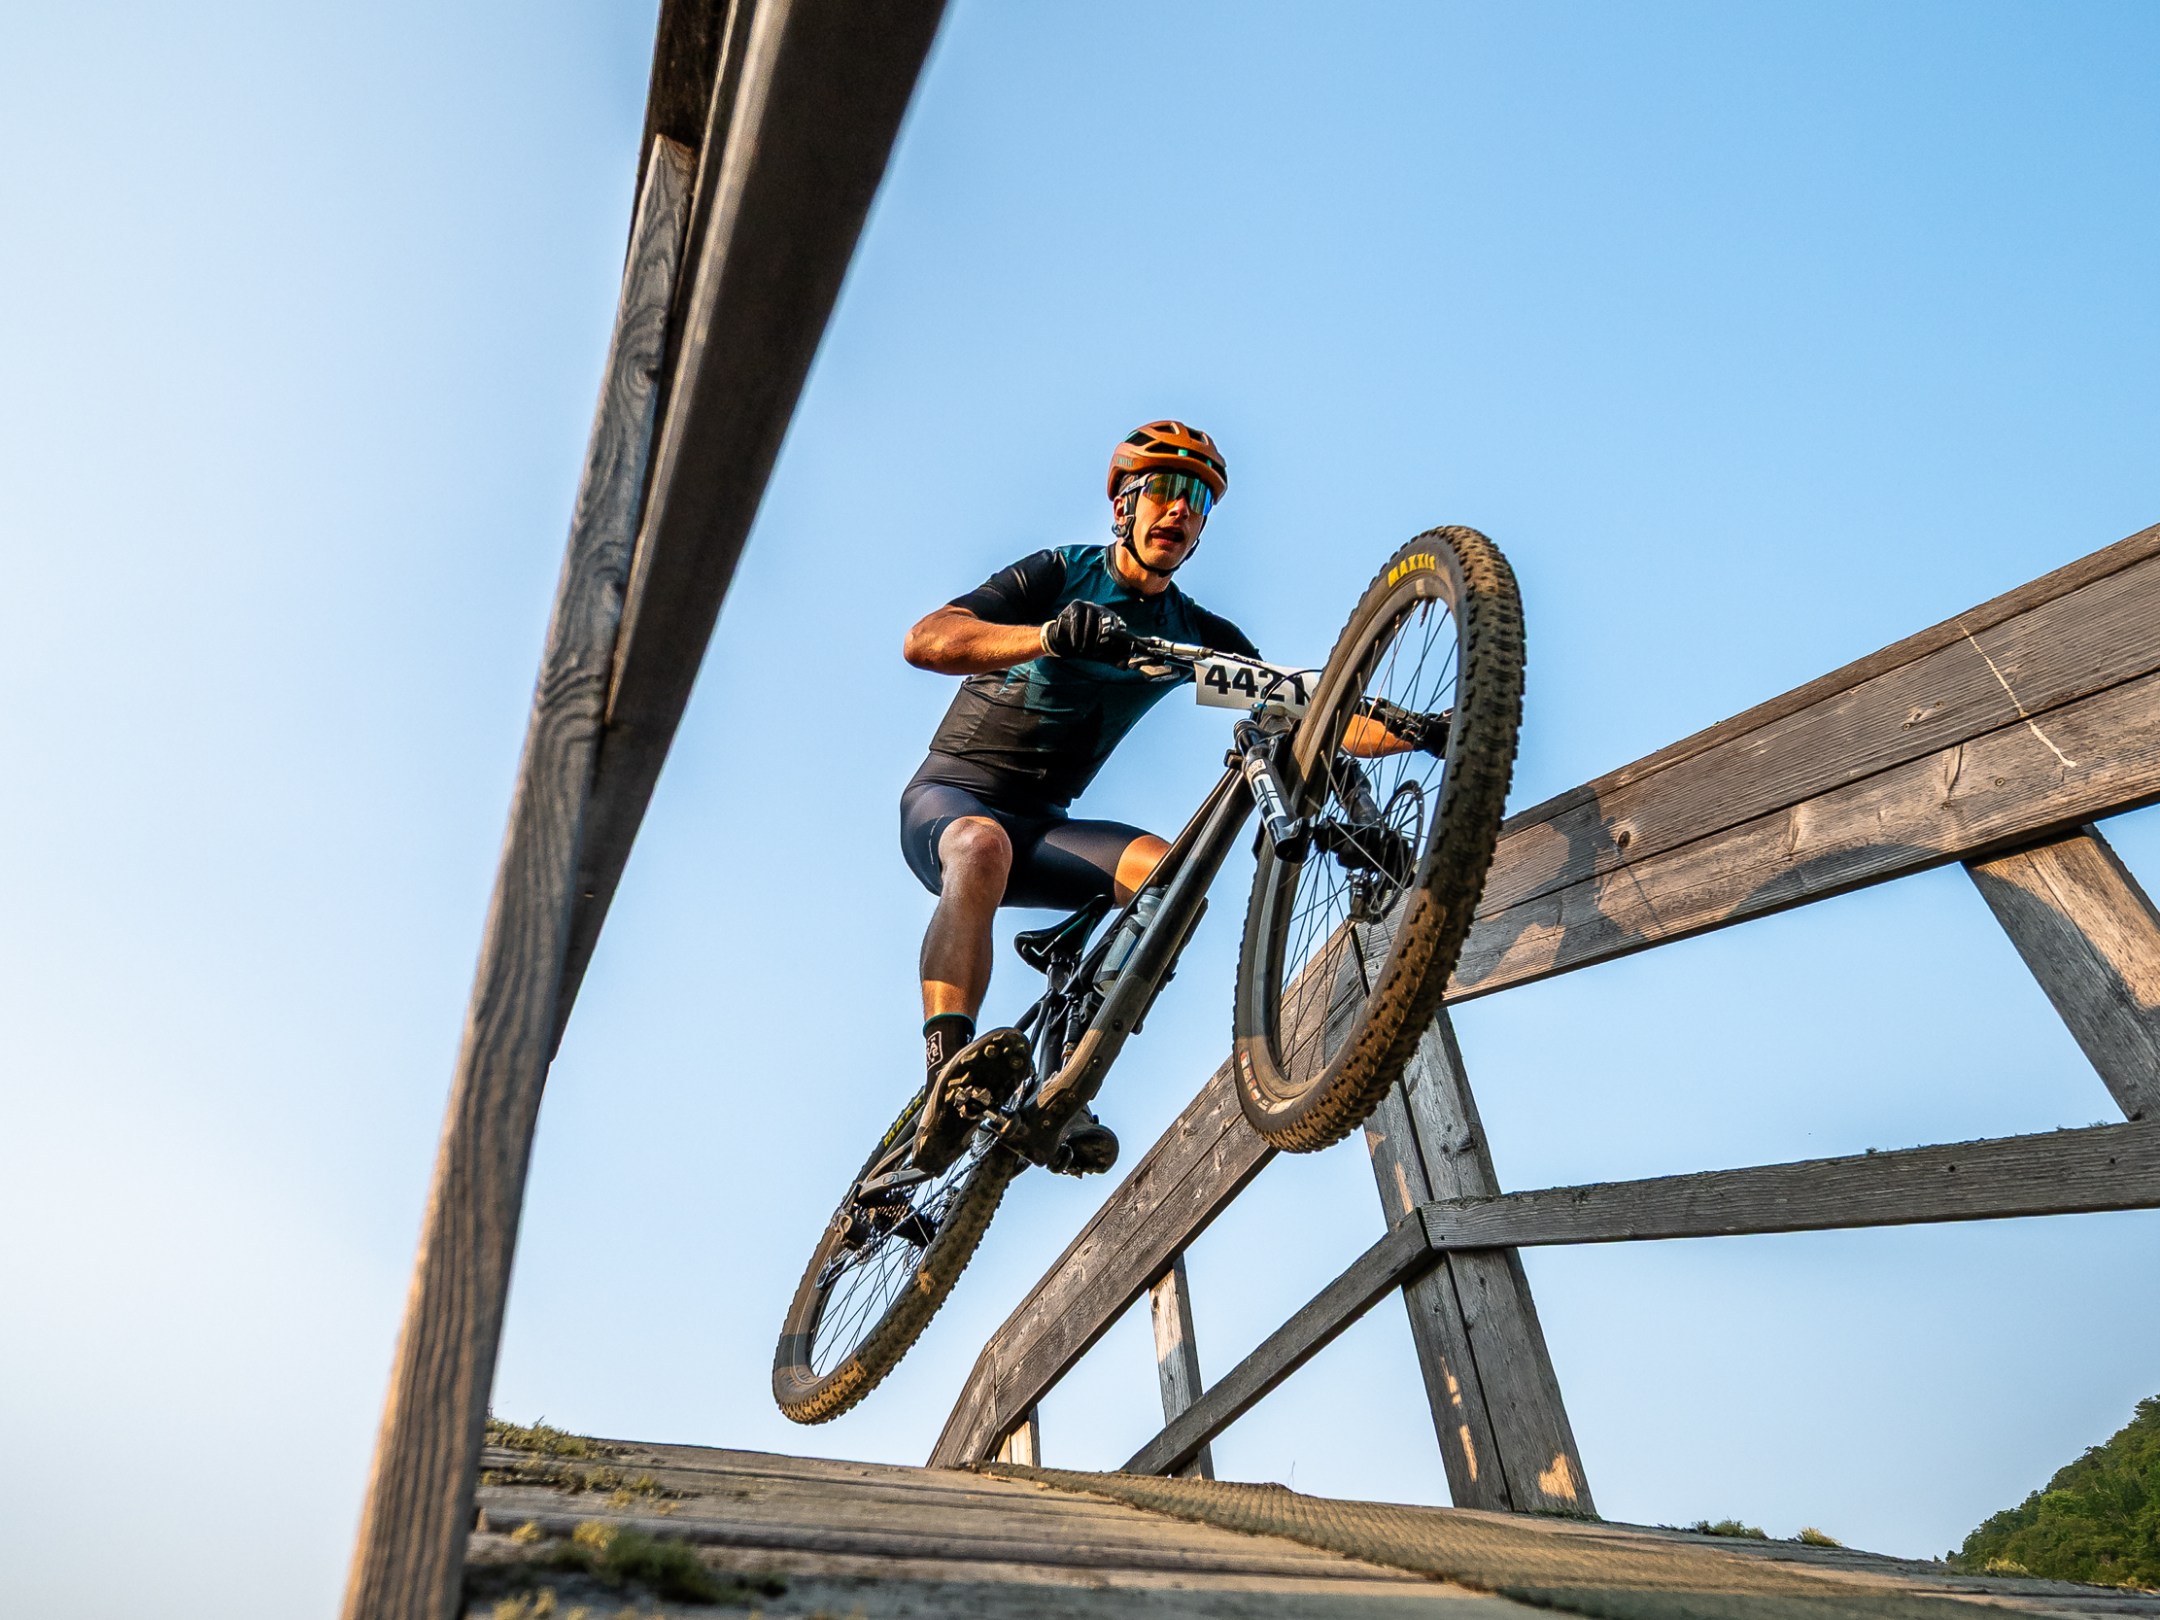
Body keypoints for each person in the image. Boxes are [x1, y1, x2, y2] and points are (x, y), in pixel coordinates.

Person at [897, 420, 1257, 1176]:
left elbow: (1299, 709)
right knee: (981, 846)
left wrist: (1423, 727)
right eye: (1161, 489)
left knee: (1175, 877)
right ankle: (946, 1075)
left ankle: (1067, 1075)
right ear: (1122, 506)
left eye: (1195, 497)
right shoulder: (1062, 572)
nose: (1179, 509)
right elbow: (928, 639)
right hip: (952, 803)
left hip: (1045, 831)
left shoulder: (1190, 631)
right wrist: (1048, 635)